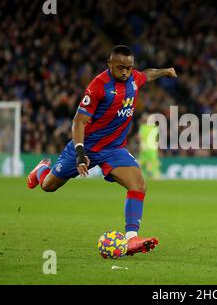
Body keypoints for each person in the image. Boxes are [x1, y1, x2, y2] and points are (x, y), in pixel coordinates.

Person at [27, 45, 177, 256]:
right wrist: (80, 154)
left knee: (139, 184)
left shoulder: (134, 78)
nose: (125, 72)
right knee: (48, 186)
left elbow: (147, 75)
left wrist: (165, 71)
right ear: (109, 65)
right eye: (120, 68)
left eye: (129, 67)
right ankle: (41, 170)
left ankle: (131, 239)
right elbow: (78, 123)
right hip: (87, 146)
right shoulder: (98, 86)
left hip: (114, 148)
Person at [138, 113, 162, 180]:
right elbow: (140, 137)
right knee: (147, 161)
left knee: (148, 161)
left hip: (148, 147)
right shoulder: (146, 127)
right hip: (147, 147)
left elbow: (140, 137)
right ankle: (153, 175)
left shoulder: (148, 127)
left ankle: (150, 174)